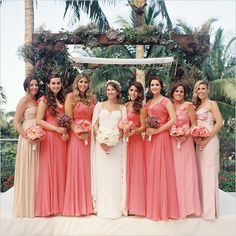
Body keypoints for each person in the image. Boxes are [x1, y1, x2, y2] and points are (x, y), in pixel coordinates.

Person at [91, 80, 127, 219]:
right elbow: (95, 124)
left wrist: (115, 140)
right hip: (100, 145)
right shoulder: (99, 106)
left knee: (115, 175)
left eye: (113, 90)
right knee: (102, 174)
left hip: (116, 145)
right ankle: (101, 208)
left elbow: (123, 127)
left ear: (117, 91)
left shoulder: (122, 108)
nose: (110, 92)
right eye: (108, 90)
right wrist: (100, 139)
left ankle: (115, 208)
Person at [145, 76, 179, 221]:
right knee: (152, 171)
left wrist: (158, 131)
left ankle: (163, 209)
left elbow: (173, 120)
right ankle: (153, 206)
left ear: (161, 86)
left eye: (157, 85)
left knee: (162, 171)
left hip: (162, 137)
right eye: (152, 85)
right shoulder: (149, 102)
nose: (154, 87)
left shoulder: (166, 101)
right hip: (150, 139)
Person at [35, 73, 68, 217]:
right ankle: (47, 207)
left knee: (61, 170)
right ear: (48, 85)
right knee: (49, 170)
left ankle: (60, 206)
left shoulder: (63, 99)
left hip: (62, 139)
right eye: (53, 83)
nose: (56, 85)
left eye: (58, 83)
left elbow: (66, 119)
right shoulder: (43, 100)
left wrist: (65, 131)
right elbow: (39, 121)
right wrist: (55, 129)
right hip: (50, 138)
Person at [63, 73, 96, 216]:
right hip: (76, 137)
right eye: (81, 82)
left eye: (85, 82)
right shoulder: (70, 97)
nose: (83, 84)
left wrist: (90, 132)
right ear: (76, 83)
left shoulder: (92, 98)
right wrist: (77, 132)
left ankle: (89, 204)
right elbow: (69, 119)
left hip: (90, 137)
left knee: (89, 169)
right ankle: (76, 205)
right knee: (77, 168)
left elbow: (95, 118)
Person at [192, 80, 223, 219]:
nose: (201, 91)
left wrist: (207, 139)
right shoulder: (197, 106)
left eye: (203, 88)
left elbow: (219, 122)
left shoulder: (212, 104)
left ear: (207, 90)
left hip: (209, 141)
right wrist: (197, 138)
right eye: (198, 89)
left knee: (209, 173)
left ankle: (209, 211)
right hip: (199, 142)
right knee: (200, 172)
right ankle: (202, 207)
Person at [170, 82, 201, 218]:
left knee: (187, 172)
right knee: (174, 173)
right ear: (172, 93)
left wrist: (185, 134)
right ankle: (175, 207)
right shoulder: (169, 106)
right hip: (172, 142)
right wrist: (174, 133)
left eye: (181, 92)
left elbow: (194, 124)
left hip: (186, 142)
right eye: (176, 91)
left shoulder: (188, 106)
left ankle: (188, 207)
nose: (179, 94)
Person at [13, 76, 40, 217]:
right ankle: (25, 206)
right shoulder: (24, 100)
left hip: (38, 138)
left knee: (36, 170)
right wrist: (27, 137)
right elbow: (16, 122)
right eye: (31, 85)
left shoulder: (37, 101)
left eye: (36, 85)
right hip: (27, 138)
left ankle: (35, 204)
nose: (34, 87)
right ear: (26, 86)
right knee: (28, 169)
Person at [125, 81, 146, 216]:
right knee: (126, 171)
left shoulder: (142, 108)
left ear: (139, 93)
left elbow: (144, 126)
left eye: (136, 91)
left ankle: (137, 206)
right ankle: (126, 204)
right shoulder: (125, 106)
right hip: (125, 142)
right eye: (131, 90)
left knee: (136, 172)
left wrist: (134, 132)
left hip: (137, 141)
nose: (133, 93)